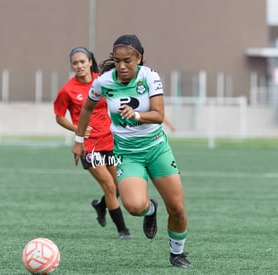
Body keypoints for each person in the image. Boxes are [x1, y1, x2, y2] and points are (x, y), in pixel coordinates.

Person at [72, 35, 193, 268]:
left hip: (157, 150)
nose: (122, 66)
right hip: (127, 154)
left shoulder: (150, 77)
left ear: (139, 57)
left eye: (127, 60)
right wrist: (79, 140)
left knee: (177, 208)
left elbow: (158, 115)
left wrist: (136, 114)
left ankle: (177, 253)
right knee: (135, 207)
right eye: (117, 61)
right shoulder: (104, 82)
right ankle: (151, 208)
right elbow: (87, 107)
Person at [54, 47, 132, 239]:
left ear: (90, 62)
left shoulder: (104, 81)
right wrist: (77, 129)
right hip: (89, 146)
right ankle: (123, 230)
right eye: (75, 63)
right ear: (71, 66)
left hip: (111, 142)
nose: (79, 66)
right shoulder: (67, 90)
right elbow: (59, 117)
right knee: (110, 187)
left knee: (119, 187)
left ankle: (101, 205)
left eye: (82, 62)